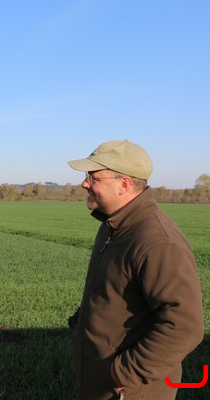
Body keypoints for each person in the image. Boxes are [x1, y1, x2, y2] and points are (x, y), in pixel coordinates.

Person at [67, 140, 204, 400]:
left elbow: (185, 327)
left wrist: (122, 373)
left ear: (125, 184)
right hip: (102, 383)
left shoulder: (157, 241)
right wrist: (80, 323)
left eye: (93, 177)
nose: (84, 184)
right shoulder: (112, 226)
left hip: (132, 391)